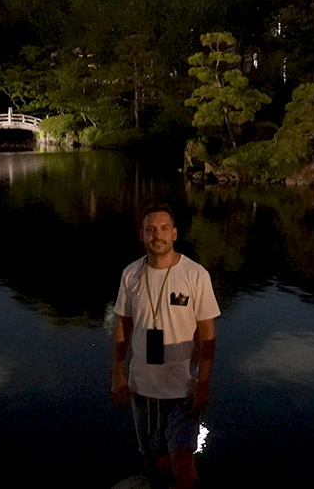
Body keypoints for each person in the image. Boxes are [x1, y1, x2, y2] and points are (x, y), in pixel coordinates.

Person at [111, 205, 220, 489]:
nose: (156, 235)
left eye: (162, 229)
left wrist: (203, 382)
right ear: (141, 235)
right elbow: (123, 327)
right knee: (154, 460)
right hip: (143, 389)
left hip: (182, 390)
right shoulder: (130, 275)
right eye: (150, 229)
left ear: (174, 234)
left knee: (183, 463)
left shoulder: (195, 275)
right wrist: (118, 375)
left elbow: (208, 335)